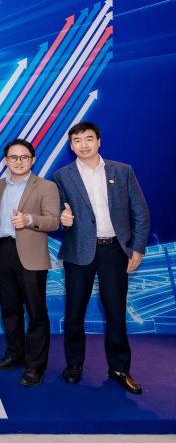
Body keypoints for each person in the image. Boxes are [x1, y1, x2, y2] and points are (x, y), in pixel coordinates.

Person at [52, 121, 150, 394]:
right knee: (74, 312)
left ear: (99, 141)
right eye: (77, 140)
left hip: (114, 250)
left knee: (115, 310)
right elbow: (57, 213)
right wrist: (62, 218)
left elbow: (140, 213)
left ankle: (119, 368)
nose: (83, 145)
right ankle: (74, 364)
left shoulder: (122, 171)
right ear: (71, 146)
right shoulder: (61, 176)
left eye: (88, 139)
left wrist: (137, 248)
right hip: (79, 251)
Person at [0, 138, 59, 387]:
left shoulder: (46, 186)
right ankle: (15, 354)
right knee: (10, 309)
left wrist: (28, 219)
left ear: (33, 160)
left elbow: (53, 221)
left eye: (24, 157)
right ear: (6, 161)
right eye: (13, 157)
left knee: (36, 312)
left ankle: (35, 366)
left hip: (31, 255)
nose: (19, 162)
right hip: (2, 252)